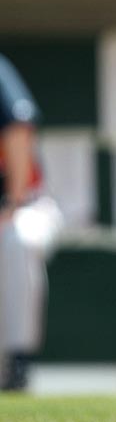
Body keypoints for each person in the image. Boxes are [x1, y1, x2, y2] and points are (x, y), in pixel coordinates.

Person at [0, 54, 63, 390]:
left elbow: (18, 128)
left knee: (18, 238)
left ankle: (19, 361)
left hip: (26, 204)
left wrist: (13, 202)